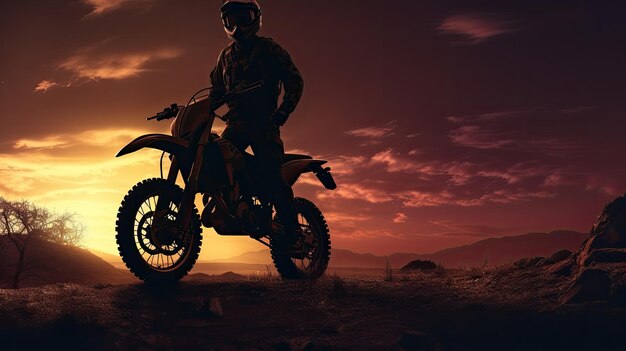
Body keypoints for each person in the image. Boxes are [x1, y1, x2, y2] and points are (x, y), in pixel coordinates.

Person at [207, 0, 304, 247]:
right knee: (215, 158)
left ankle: (292, 233)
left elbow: (295, 81)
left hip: (264, 124)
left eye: (244, 17)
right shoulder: (225, 57)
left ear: (256, 18)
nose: (238, 25)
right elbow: (215, 91)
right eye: (232, 20)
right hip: (236, 124)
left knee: (272, 175)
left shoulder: (270, 49)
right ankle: (235, 207)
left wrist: (282, 112)